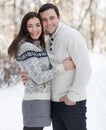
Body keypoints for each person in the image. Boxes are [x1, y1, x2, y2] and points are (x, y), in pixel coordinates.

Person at [8, 12, 75, 130]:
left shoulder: (39, 45)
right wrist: (63, 67)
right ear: (25, 28)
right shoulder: (26, 47)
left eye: (37, 25)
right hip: (35, 103)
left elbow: (37, 72)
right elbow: (38, 77)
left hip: (42, 101)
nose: (34, 29)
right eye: (30, 26)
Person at [38, 3, 92, 130]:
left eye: (52, 18)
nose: (48, 22)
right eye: (44, 19)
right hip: (55, 104)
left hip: (72, 103)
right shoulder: (47, 40)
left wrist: (71, 97)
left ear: (59, 17)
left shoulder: (71, 36)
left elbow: (85, 70)